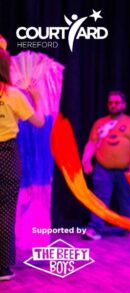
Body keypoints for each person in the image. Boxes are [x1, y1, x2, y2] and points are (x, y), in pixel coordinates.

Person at [0, 47, 45, 281]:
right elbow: (39, 121)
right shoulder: (13, 94)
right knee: (5, 211)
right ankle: (2, 268)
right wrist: (36, 97)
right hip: (6, 155)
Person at [81, 91, 130, 240]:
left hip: (125, 169)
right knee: (99, 200)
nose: (113, 105)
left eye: (117, 103)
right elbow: (92, 143)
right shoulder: (100, 123)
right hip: (103, 169)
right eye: (110, 103)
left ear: (123, 105)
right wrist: (86, 160)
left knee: (126, 199)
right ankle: (94, 229)